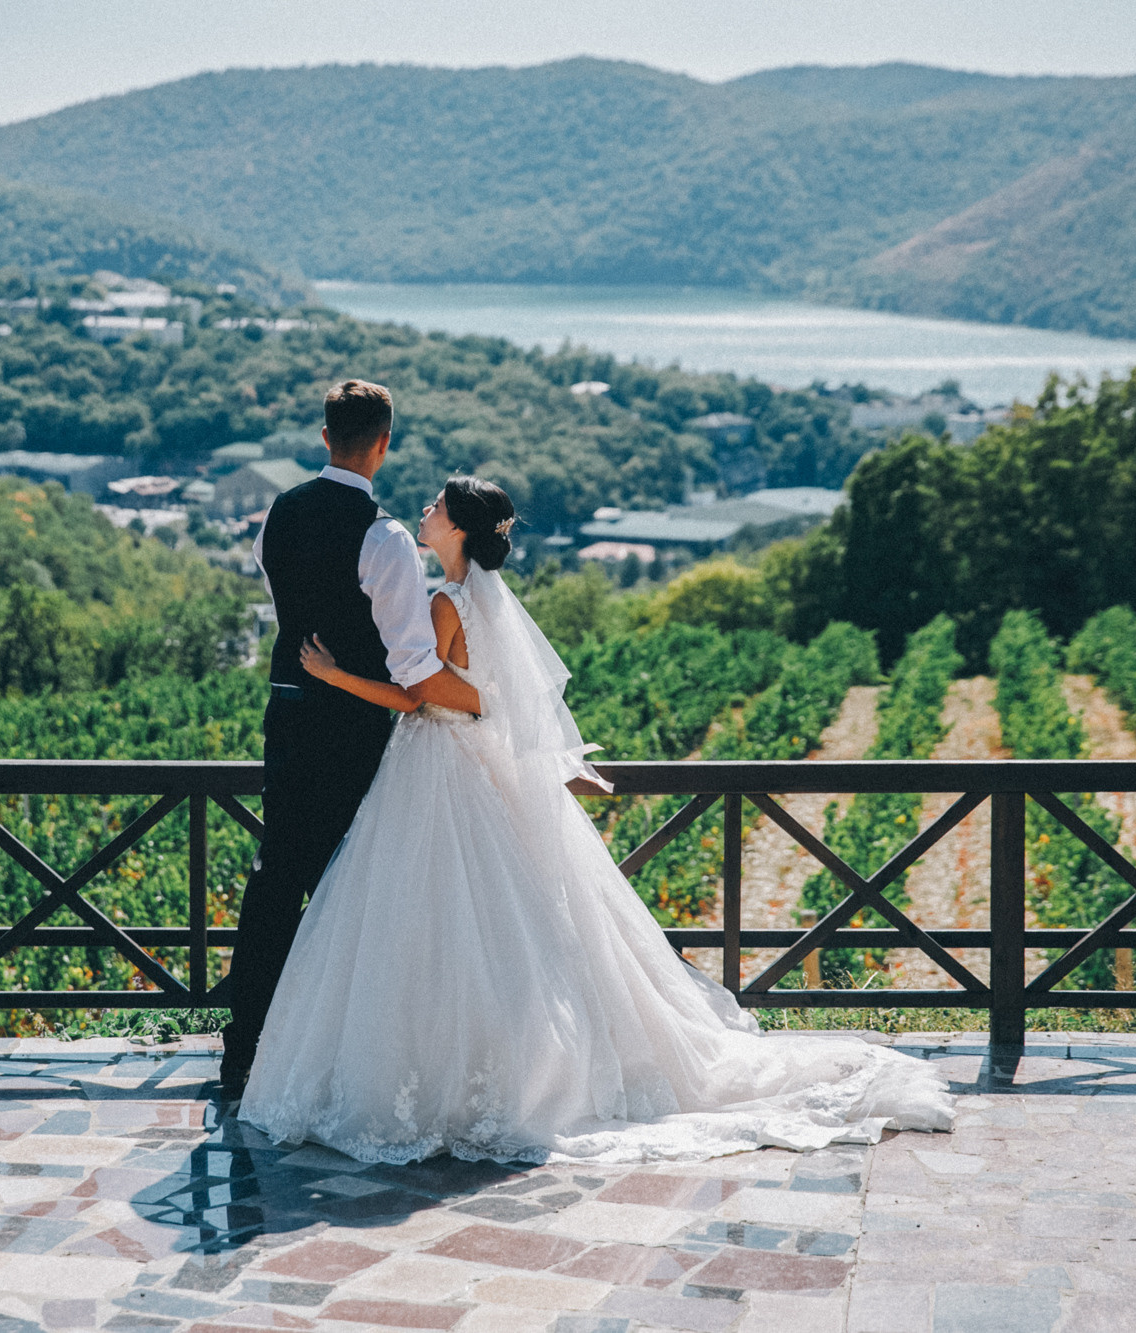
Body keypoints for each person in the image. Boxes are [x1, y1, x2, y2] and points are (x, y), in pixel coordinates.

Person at [236, 475, 956, 1164]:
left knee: (433, 927)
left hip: (440, 771)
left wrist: (333, 677)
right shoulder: (484, 600)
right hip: (473, 773)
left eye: (434, 506)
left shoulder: (446, 604)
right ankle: (506, 1071)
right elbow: (491, 697)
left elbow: (425, 696)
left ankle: (443, 1075)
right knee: (505, 931)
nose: (422, 511)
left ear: (456, 527)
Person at [221, 380, 480, 1100]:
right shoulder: (385, 536)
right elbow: (411, 664)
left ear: (325, 435)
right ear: (384, 443)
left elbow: (284, 602)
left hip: (285, 714)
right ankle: (338, 1054)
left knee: (277, 876)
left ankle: (244, 1048)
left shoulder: (277, 513)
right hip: (352, 726)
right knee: (353, 884)